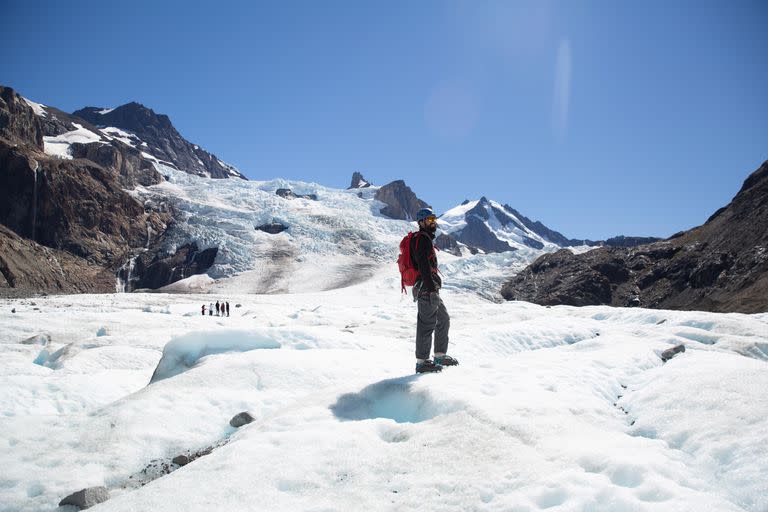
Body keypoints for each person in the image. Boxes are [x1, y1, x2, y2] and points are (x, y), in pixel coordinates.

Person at [410, 208, 459, 373]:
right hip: (427, 289)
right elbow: (423, 265)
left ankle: (439, 356)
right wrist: (431, 290)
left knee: (443, 319)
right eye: (429, 220)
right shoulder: (422, 239)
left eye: (434, 220)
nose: (433, 223)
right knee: (426, 325)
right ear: (421, 222)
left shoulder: (424, 239)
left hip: (430, 288)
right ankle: (422, 362)